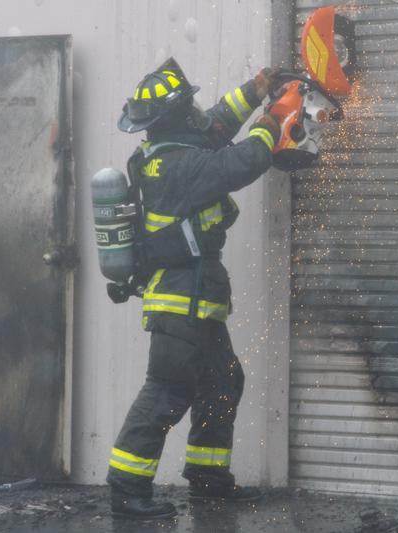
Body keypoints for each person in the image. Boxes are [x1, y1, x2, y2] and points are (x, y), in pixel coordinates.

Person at [106, 58, 281, 520]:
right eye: (188, 105)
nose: (196, 110)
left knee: (222, 382)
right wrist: (273, 122)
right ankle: (126, 487)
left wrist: (258, 87)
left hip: (197, 299)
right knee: (166, 391)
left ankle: (208, 481)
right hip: (179, 299)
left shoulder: (173, 149)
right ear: (174, 115)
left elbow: (217, 123)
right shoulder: (177, 165)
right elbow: (241, 162)